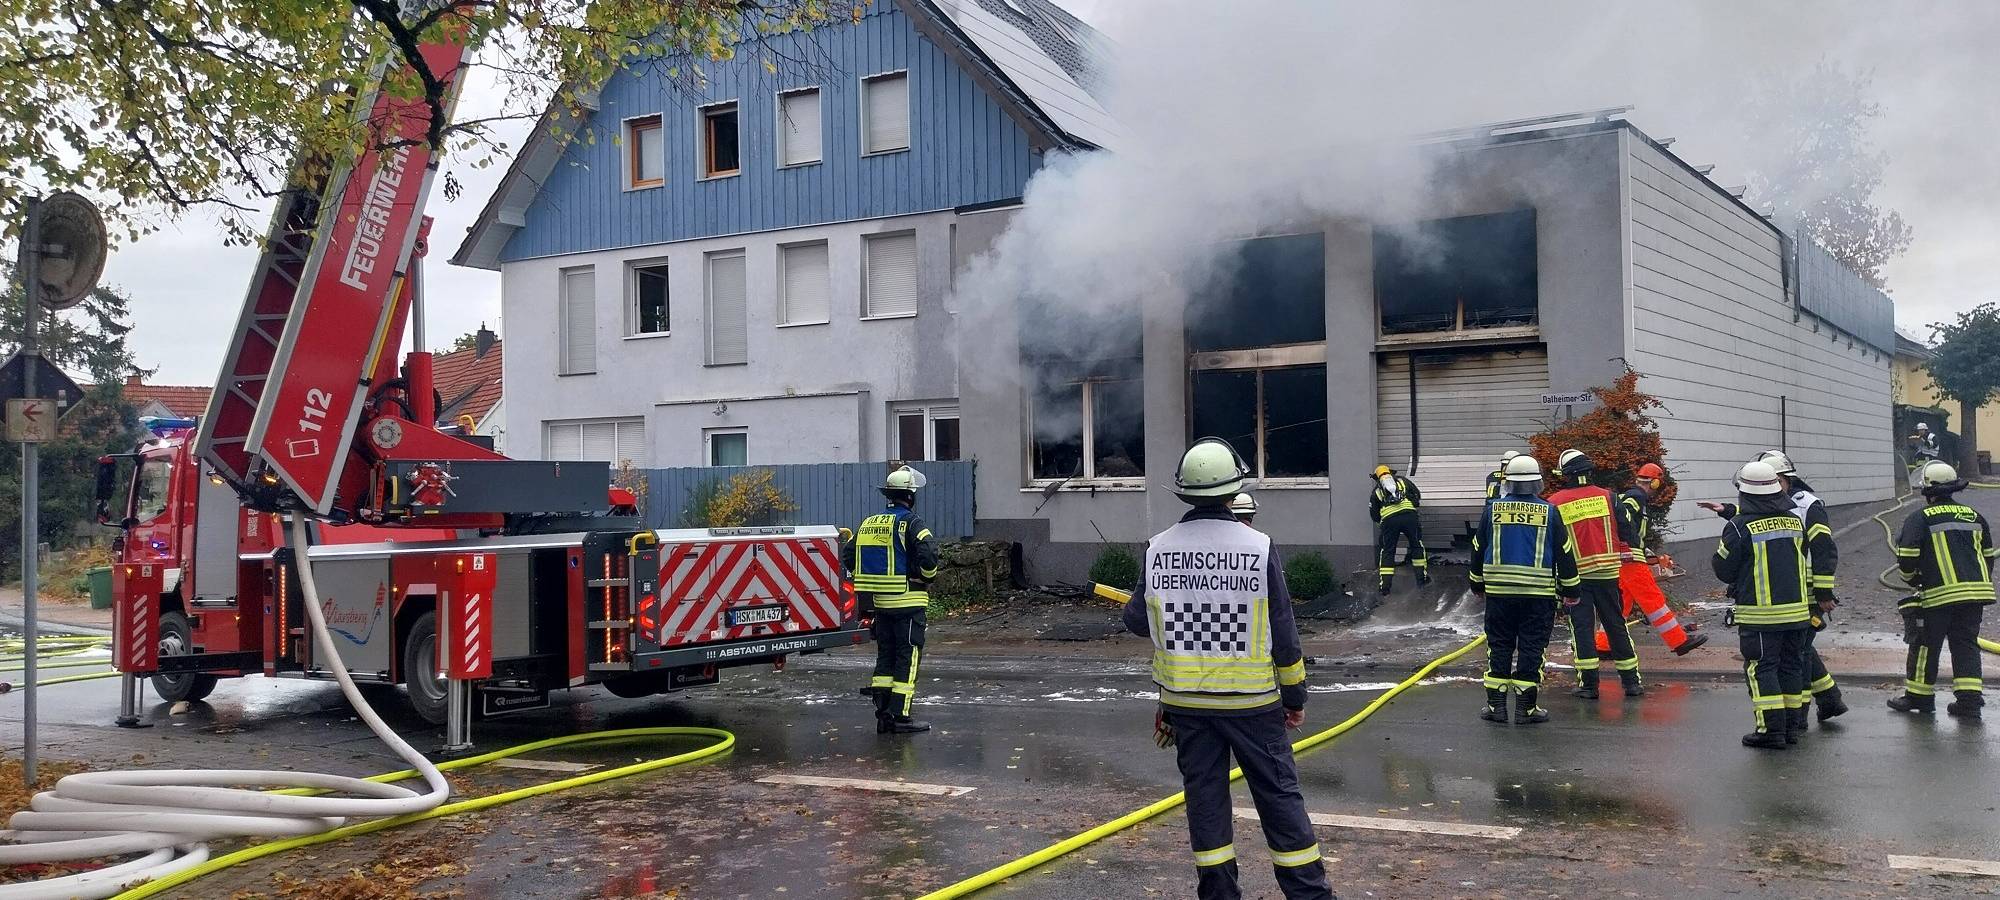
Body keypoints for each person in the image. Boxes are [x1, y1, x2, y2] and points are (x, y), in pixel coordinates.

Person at [1122, 439, 1333, 900]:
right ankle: (1309, 895)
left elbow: (1137, 621)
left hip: (1186, 706)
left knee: (1206, 802)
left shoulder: (1158, 549)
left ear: (1183, 491)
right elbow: (1284, 634)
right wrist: (1295, 699)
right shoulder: (1257, 547)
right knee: (1279, 799)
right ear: (1233, 489)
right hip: (1254, 705)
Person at [1697, 451, 1846, 720]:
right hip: (1790, 590)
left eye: (1774, 480)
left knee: (1794, 657)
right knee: (1798, 650)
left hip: (1806, 591)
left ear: (1785, 479)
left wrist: (1824, 592)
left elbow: (1824, 549)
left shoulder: (1807, 505)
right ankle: (1828, 699)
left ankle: (1799, 717)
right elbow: (1760, 518)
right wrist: (1728, 511)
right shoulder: (1784, 505)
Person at [1712, 460, 1825, 749]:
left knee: (1762, 670)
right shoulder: (1794, 521)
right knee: (1790, 668)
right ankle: (1790, 728)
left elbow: (1723, 569)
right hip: (1798, 613)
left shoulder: (1739, 527)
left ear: (1745, 494)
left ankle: (1770, 731)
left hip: (1761, 616)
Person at [1469, 454, 1581, 724]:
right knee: (1532, 648)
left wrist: (1477, 583)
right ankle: (1526, 709)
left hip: (1499, 594)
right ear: (1538, 482)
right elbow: (1565, 552)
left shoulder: (1492, 509)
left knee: (1499, 646)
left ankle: (1497, 708)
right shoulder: (1549, 512)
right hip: (1538, 596)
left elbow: (1477, 547)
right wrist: (1572, 589)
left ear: (1508, 481)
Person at [1889, 462, 1997, 719]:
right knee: (1965, 644)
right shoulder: (1974, 515)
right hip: (1974, 595)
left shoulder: (1920, 518)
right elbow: (1988, 555)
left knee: (1925, 644)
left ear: (1928, 489)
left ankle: (1919, 698)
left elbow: (1907, 556)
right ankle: (1969, 702)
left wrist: (1912, 579)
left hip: (1938, 595)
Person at [847, 465, 939, 735]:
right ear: (910, 497)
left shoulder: (868, 523)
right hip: (909, 602)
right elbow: (929, 555)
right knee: (907, 658)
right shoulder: (912, 523)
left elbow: (848, 556)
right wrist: (926, 577)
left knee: (885, 657)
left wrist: (867, 579)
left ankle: (884, 715)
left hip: (881, 606)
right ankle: (901, 716)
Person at [1549, 449, 1643, 698]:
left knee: (1581, 629)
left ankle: (1589, 686)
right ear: (1589, 471)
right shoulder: (1609, 497)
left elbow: (1551, 544)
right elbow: (1628, 532)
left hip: (1575, 579)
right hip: (1608, 575)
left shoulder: (1555, 502)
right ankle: (1632, 683)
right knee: (1616, 625)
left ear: (1566, 475)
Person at [1611, 462, 1708, 656]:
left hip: (1624, 557)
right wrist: (1632, 543)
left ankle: (1603, 645)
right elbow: (1623, 517)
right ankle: (1679, 641)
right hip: (1630, 558)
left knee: (1620, 605)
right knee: (1653, 599)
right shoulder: (1636, 496)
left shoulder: (1630, 496)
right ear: (1654, 483)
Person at [1369, 464, 1428, 594]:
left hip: (1390, 522)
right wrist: (1412, 507)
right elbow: (1417, 494)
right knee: (1416, 545)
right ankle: (1421, 580)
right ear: (1391, 473)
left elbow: (1374, 514)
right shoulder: (1403, 481)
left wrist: (1384, 524)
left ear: (1377, 478)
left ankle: (1385, 587)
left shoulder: (1376, 492)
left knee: (1388, 551)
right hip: (1409, 517)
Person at [1908, 422, 1942, 490]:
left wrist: (1922, 441)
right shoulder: (1920, 437)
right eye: (1919, 430)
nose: (1920, 432)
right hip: (1922, 456)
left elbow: (1932, 445)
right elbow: (1919, 447)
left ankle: (1926, 484)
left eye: (1921, 430)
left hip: (1930, 457)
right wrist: (1912, 443)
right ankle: (1919, 484)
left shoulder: (1932, 436)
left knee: (1926, 471)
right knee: (1919, 470)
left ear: (1925, 430)